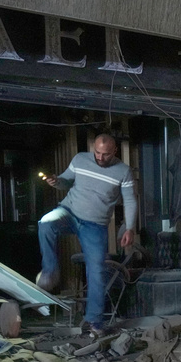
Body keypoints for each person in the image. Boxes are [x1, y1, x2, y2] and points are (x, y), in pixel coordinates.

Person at [38, 134, 136, 336]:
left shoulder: (123, 172)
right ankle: (50, 272)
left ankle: (95, 322)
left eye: (105, 155)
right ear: (93, 148)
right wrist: (57, 181)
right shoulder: (80, 159)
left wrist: (130, 227)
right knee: (45, 222)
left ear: (115, 151)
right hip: (69, 213)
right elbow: (66, 181)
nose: (100, 158)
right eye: (97, 153)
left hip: (95, 225)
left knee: (97, 271)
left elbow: (130, 200)